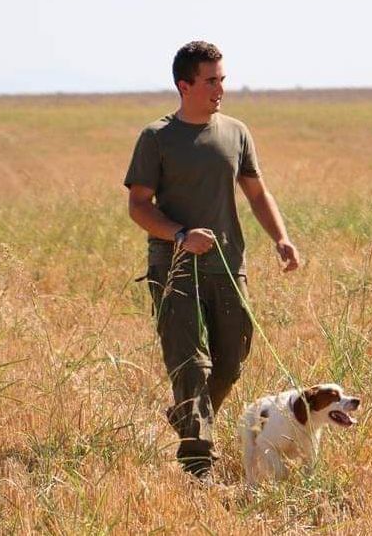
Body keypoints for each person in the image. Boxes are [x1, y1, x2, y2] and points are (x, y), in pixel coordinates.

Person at [124, 40, 300, 479]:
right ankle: (197, 461)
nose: (220, 89)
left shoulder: (236, 132)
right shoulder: (156, 138)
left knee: (232, 358)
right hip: (175, 267)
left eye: (222, 79)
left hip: (228, 264)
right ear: (184, 86)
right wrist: (181, 235)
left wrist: (281, 238)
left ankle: (187, 416)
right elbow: (139, 206)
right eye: (210, 81)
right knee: (189, 363)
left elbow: (257, 193)